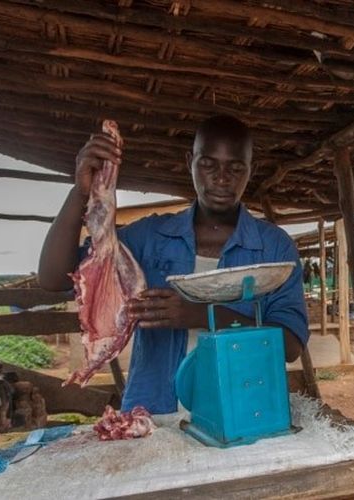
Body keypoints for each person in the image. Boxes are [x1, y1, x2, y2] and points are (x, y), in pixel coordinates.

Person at [38, 115, 309, 414]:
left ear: (251, 170)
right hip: (153, 416)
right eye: (208, 164)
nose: (221, 177)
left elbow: (290, 346)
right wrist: (80, 192)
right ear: (189, 161)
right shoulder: (149, 238)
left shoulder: (273, 247)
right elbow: (54, 278)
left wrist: (202, 315)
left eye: (235, 167)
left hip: (243, 414)